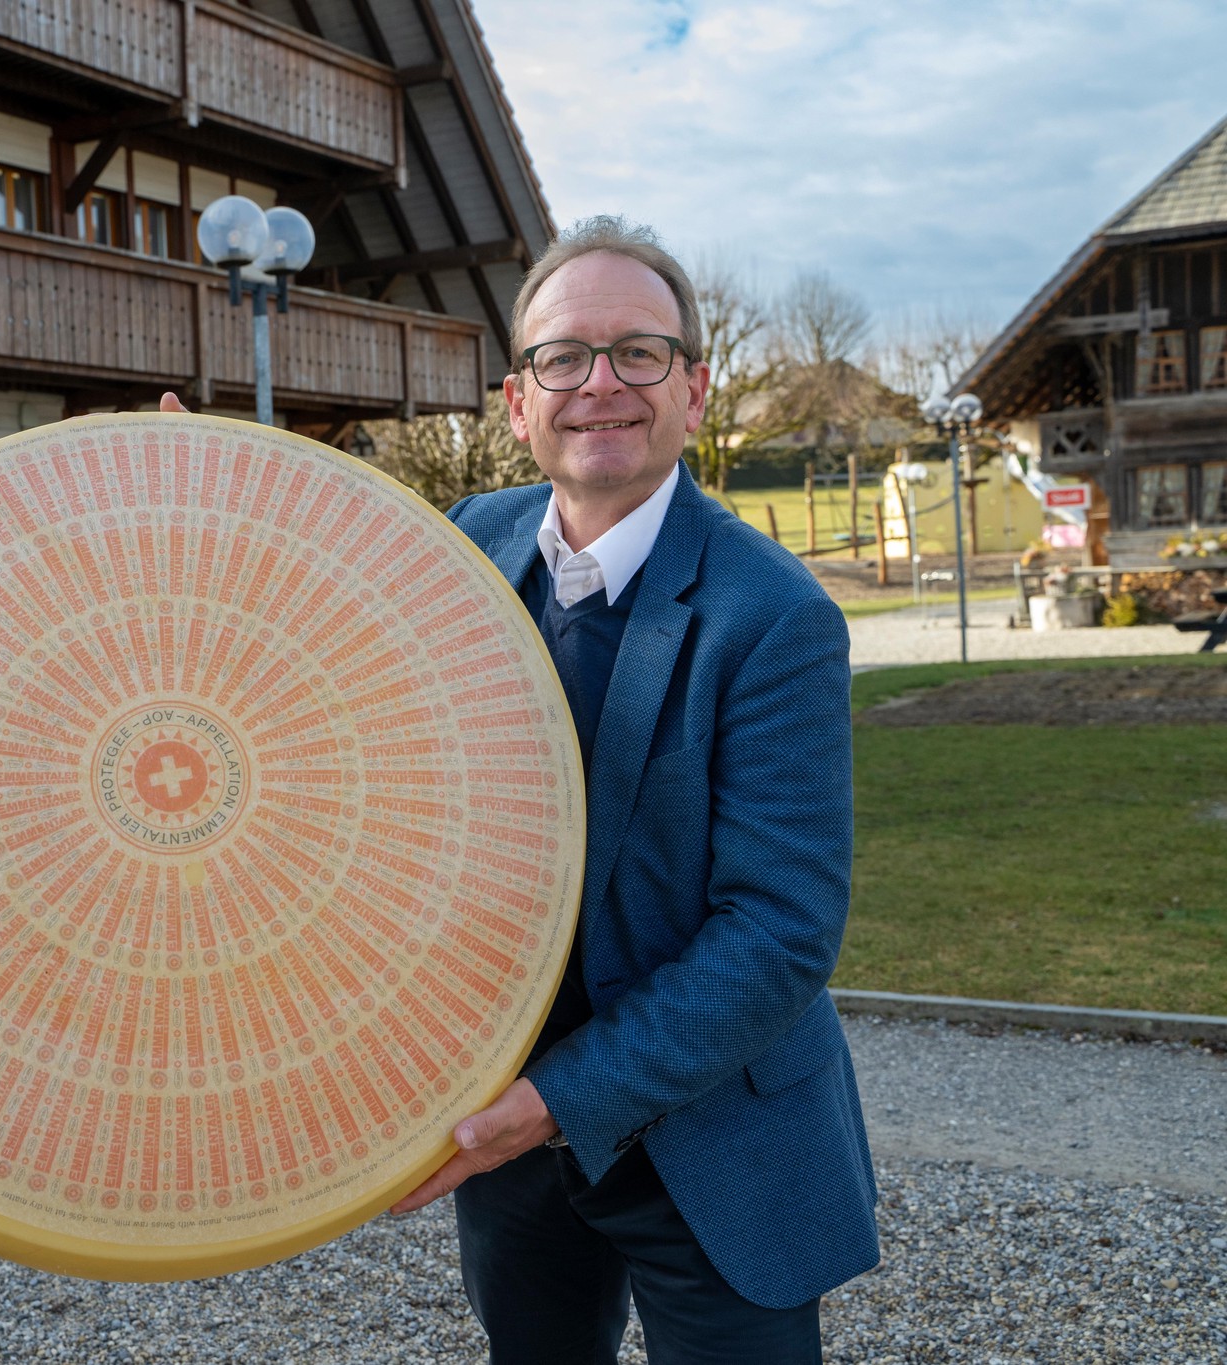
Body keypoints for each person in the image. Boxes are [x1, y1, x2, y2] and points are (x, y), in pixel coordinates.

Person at [389, 217, 879, 1364]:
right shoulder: (465, 545)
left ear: (694, 392)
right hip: (510, 1138)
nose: (597, 384)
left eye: (637, 353)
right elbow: (329, 688)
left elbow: (776, 931)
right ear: (517, 402)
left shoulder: (775, 619)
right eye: (562, 357)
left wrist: (560, 1097)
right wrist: (204, 499)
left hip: (710, 1141)